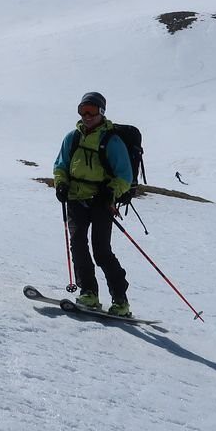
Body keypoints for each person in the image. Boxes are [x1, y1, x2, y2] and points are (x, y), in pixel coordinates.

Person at [52, 91, 134, 316]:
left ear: (101, 112)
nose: (86, 116)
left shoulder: (112, 141)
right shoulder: (73, 137)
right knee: (78, 244)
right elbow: (60, 165)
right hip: (76, 199)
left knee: (101, 251)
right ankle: (88, 292)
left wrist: (110, 192)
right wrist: (61, 184)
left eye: (92, 111)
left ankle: (120, 300)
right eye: (82, 111)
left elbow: (124, 176)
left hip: (101, 202)